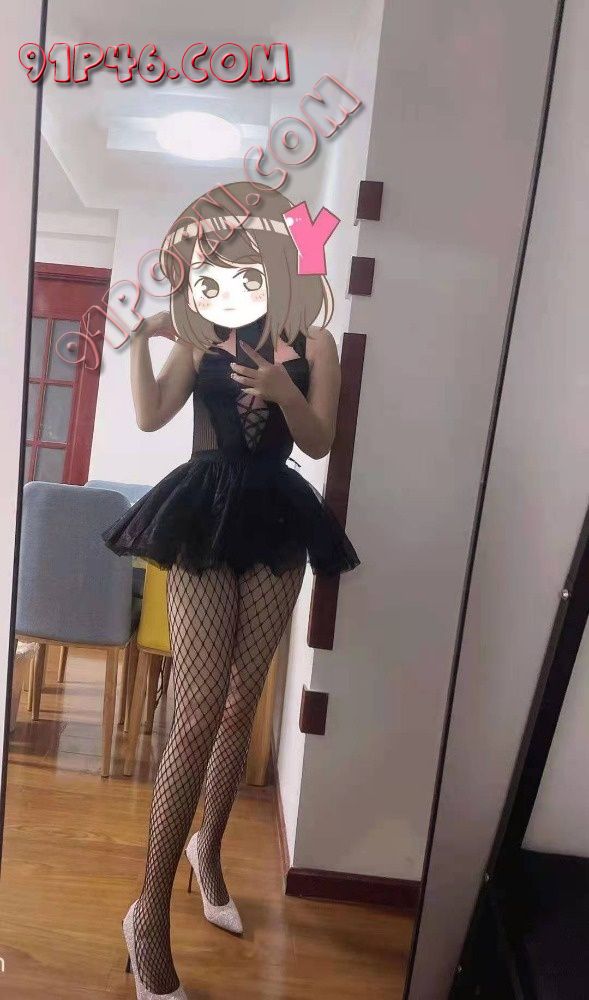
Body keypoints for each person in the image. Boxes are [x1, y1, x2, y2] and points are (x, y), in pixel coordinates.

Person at [103, 181, 361, 998]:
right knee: (195, 709)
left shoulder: (315, 340)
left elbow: (319, 440)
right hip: (204, 515)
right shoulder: (200, 332)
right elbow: (151, 417)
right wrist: (139, 341)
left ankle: (206, 851)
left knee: (240, 700)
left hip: (278, 517)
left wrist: (286, 393)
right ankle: (147, 914)